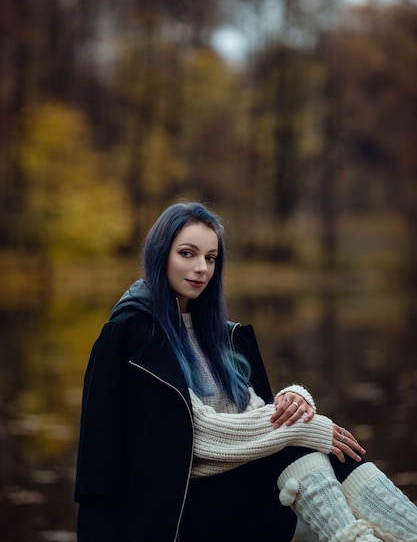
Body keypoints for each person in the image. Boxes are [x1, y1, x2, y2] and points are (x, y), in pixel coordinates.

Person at [74, 201, 417, 542]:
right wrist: (309, 427)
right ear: (160, 254)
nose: (201, 269)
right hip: (176, 506)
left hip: (235, 490)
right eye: (187, 254)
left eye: (210, 258)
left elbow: (254, 413)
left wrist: (293, 398)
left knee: (321, 451)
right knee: (299, 444)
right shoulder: (133, 333)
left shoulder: (219, 335)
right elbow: (200, 433)